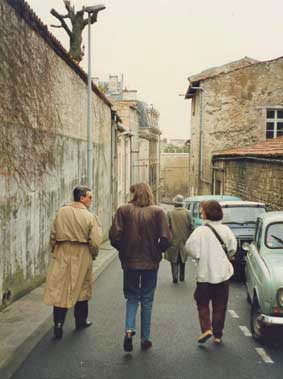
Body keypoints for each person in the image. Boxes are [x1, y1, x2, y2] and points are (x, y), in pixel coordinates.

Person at [109, 183, 171, 352]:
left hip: (129, 262)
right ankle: (145, 339)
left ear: (134, 194)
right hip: (150, 262)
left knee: (131, 297)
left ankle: (129, 331)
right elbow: (166, 239)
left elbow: (114, 236)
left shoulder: (123, 210)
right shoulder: (158, 212)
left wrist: (124, 250)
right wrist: (157, 251)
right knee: (147, 299)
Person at [44, 186, 102, 339]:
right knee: (82, 289)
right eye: (89, 197)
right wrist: (93, 254)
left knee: (60, 290)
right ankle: (80, 321)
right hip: (82, 252)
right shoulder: (90, 217)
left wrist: (55, 248)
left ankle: (58, 324)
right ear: (82, 198)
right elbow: (95, 242)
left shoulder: (62, 211)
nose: (91, 200)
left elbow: (53, 234)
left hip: (62, 252)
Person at [184, 200, 237, 344]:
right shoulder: (226, 230)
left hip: (205, 275)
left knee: (202, 302)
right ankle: (218, 335)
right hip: (223, 275)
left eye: (202, 211)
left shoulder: (200, 231)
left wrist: (200, 255)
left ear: (206, 214)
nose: (201, 213)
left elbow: (190, 248)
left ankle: (206, 328)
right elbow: (233, 248)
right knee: (220, 305)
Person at [165, 194, 192, 283]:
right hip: (185, 240)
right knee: (182, 259)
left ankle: (175, 277)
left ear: (174, 204)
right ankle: (182, 276)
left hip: (173, 240)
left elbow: (166, 227)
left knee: (174, 260)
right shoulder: (187, 213)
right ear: (182, 204)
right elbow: (192, 226)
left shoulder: (170, 213)